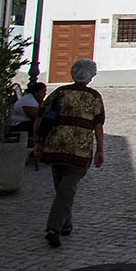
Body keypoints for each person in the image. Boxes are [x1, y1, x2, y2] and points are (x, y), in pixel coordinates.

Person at [34, 59, 105, 248]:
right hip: (78, 150)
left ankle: (66, 224)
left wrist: (38, 141)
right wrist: (100, 150)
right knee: (66, 191)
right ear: (90, 76)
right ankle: (53, 229)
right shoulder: (94, 97)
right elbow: (98, 126)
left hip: (55, 146)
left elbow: (41, 115)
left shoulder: (60, 92)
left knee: (63, 189)